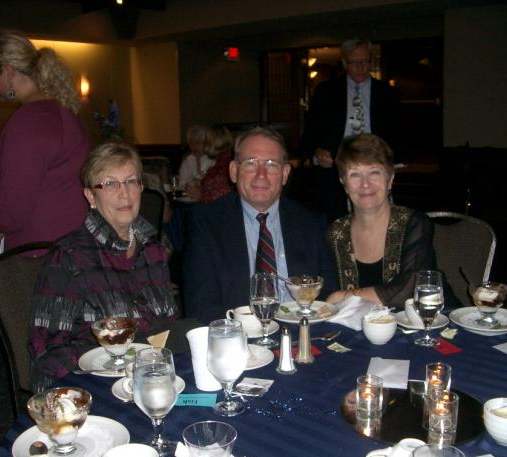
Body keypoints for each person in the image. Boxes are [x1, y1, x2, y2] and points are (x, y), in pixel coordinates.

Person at [29, 142, 179, 392]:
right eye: (109, 183)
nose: (124, 193)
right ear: (90, 196)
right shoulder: (68, 258)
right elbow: (46, 356)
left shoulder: (152, 249)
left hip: (154, 382)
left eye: (131, 181)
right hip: (95, 389)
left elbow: (167, 327)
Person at [183, 126, 337, 324]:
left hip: (303, 338)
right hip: (242, 342)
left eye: (271, 165)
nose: (261, 175)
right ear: (233, 171)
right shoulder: (205, 223)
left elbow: (328, 299)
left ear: (285, 174)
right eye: (251, 163)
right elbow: (201, 308)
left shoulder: (312, 222)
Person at [0, 31, 90, 259]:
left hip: (39, 255)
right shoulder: (65, 113)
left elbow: (11, 208)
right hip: (76, 247)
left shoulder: (27, 122)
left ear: (8, 71)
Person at [325, 134, 457, 309]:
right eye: (355, 174)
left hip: (433, 325)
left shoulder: (415, 224)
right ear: (343, 183)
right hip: (362, 332)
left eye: (374, 172)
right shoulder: (334, 234)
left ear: (390, 179)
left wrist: (342, 296)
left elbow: (409, 291)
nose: (365, 184)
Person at [300, 38, 401, 221]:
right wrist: (317, 153)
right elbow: (311, 132)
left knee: (376, 219)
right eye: (355, 62)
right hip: (334, 168)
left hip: (376, 166)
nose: (361, 67)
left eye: (365, 61)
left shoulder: (387, 93)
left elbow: (398, 133)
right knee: (335, 223)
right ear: (345, 62)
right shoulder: (326, 91)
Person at [184, 125, 235, 204]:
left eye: (203, 142)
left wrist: (200, 196)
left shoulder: (223, 167)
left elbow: (221, 201)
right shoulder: (227, 160)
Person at [178, 125, 215, 191]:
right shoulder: (187, 161)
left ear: (205, 143)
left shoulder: (212, 160)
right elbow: (181, 185)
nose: (194, 146)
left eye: (197, 143)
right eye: (191, 143)